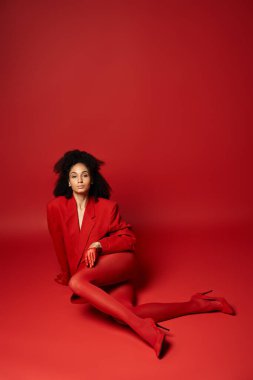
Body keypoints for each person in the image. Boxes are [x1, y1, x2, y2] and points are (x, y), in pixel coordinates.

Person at [47, 149, 235, 358]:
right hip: (95, 275)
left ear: (92, 180)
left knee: (77, 283)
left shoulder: (107, 208)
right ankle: (199, 304)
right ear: (68, 182)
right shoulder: (55, 208)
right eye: (74, 176)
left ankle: (144, 330)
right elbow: (59, 242)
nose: (80, 180)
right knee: (123, 314)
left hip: (118, 263)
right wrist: (65, 273)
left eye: (85, 175)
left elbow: (129, 239)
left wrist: (99, 245)